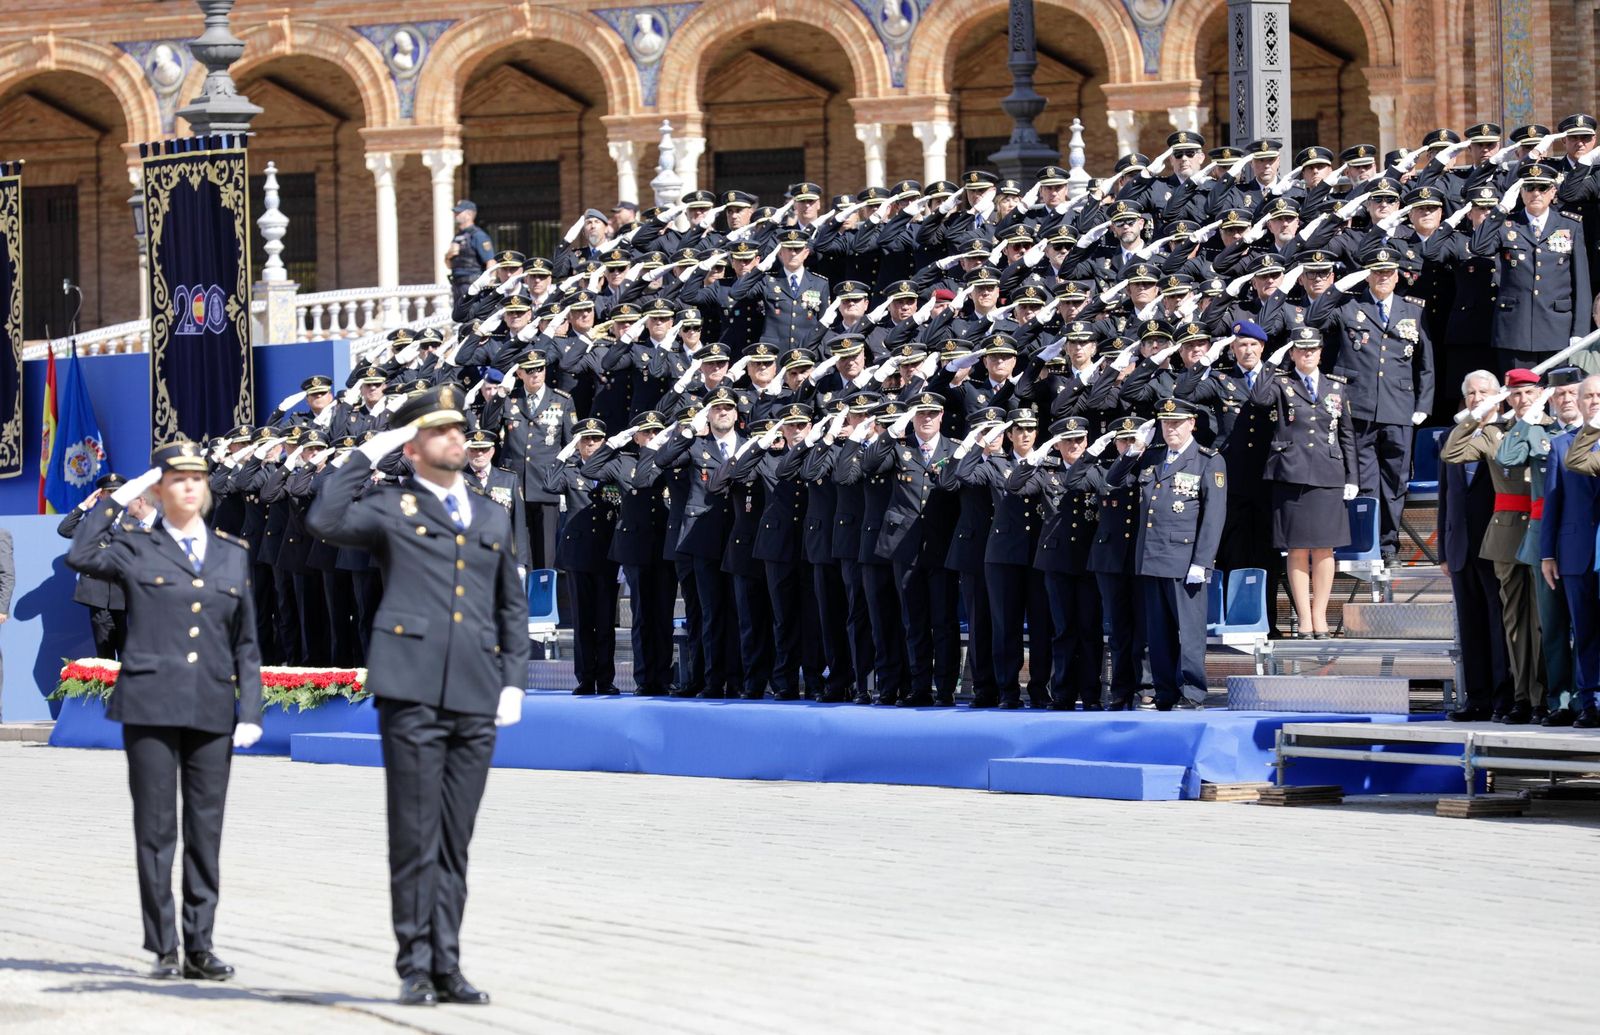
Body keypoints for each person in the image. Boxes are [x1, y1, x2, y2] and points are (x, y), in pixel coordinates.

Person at [307, 385, 530, 1006]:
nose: (456, 438)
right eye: (439, 431)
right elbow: (324, 519)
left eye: (460, 430)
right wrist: (367, 452)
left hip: (477, 694)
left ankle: (449, 965)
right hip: (410, 692)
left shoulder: (489, 513)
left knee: (456, 836)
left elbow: (508, 606)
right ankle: (415, 965)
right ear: (413, 446)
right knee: (414, 830)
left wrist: (513, 679)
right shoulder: (389, 505)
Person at [64, 441, 263, 982]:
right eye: (177, 480)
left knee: (206, 830)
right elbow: (80, 553)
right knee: (155, 830)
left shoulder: (231, 552)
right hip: (150, 704)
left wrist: (251, 709)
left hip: (212, 707)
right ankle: (164, 945)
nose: (190, 487)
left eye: (198, 479)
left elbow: (245, 641)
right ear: (158, 490)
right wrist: (119, 495)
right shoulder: (135, 547)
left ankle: (201, 944)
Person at [1106, 398, 1227, 710]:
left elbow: (1213, 517)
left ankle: (1192, 692)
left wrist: (1202, 561)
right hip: (1151, 556)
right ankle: (1165, 691)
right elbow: (1113, 480)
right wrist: (1134, 450)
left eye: (1177, 422)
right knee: (1157, 634)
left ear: (1192, 424)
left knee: (1189, 632)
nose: (1171, 428)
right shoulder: (1152, 457)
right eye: (1166, 422)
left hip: (1185, 560)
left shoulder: (1207, 461)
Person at [1440, 370, 1544, 722]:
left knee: (1521, 624)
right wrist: (1444, 545)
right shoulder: (1482, 434)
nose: (1476, 398)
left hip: (1521, 534)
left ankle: (1521, 695)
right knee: (1484, 624)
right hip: (1476, 543)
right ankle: (1491, 697)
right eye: (1470, 393)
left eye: (1484, 392)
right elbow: (1448, 479)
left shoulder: (1533, 429)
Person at [1248, 328, 1358, 638]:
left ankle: (1320, 617)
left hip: (1328, 475)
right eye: (1300, 349)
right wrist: (1272, 362)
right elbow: (1258, 399)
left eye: (1312, 349)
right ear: (1293, 352)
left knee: (1324, 550)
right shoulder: (1282, 383)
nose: (1307, 354)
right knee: (1296, 550)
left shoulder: (1337, 387)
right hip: (1291, 474)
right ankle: (1304, 618)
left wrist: (1353, 477)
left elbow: (1347, 435)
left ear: (1321, 352)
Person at [544, 418, 621, 695]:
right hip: (578, 555)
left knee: (605, 622)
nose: (591, 444)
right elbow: (550, 484)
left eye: (596, 439)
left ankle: (606, 678)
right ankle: (586, 678)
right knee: (583, 621)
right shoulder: (571, 470)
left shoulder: (613, 470)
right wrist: (563, 454)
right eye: (585, 440)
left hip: (607, 554)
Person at [58, 473, 156, 659]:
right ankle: (107, 688)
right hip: (98, 595)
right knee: (104, 652)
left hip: (126, 594)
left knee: (128, 649)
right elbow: (65, 529)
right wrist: (84, 506)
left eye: (117, 493)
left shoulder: (136, 521)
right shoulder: (92, 522)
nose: (112, 497)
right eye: (107, 493)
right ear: (100, 496)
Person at [447, 200, 495, 305]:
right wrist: (448, 255)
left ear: (469, 214)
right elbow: (449, 264)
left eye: (459, 212)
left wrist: (489, 288)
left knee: (472, 319)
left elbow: (491, 262)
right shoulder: (458, 236)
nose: (456, 215)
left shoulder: (478, 235)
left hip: (473, 285)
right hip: (458, 285)